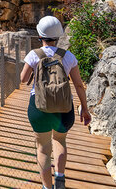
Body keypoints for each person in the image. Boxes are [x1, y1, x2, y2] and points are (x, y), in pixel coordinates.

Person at [20, 16, 91, 189]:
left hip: (39, 108)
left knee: (43, 147)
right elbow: (79, 85)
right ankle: (60, 178)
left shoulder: (33, 55)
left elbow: (23, 79)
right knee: (60, 141)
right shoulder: (68, 57)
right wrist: (85, 109)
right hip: (64, 108)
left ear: (40, 35)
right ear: (58, 35)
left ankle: (46, 187)